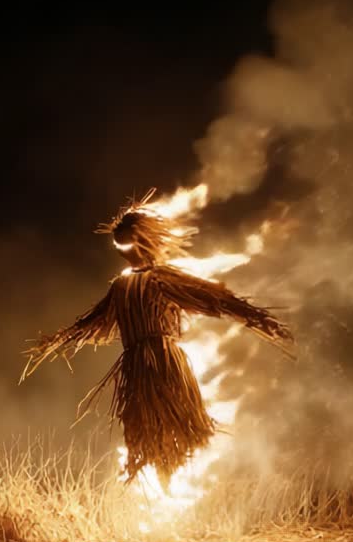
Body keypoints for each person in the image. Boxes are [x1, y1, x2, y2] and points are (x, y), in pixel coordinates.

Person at [20, 191, 294, 491]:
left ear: (144, 241)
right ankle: (167, 486)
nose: (125, 250)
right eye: (119, 244)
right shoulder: (122, 287)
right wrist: (59, 340)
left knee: (179, 428)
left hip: (164, 362)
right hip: (138, 366)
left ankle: (180, 484)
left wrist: (255, 316)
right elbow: (92, 321)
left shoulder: (162, 279)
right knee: (147, 433)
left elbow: (213, 297)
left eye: (128, 242)